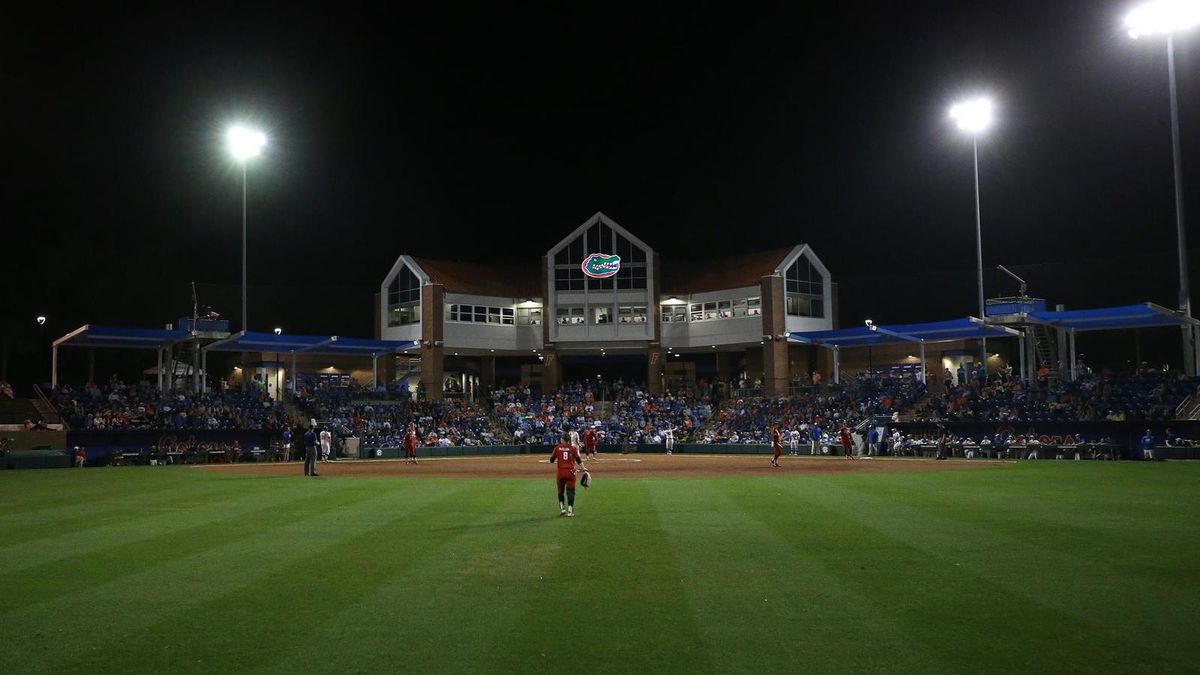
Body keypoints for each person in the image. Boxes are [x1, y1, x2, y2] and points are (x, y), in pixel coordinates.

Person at [550, 432, 584, 517]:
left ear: (562, 439)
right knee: (571, 491)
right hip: (571, 472)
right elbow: (578, 460)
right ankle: (570, 510)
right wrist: (583, 469)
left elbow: (551, 460)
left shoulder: (557, 448)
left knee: (560, 491)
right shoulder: (572, 448)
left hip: (561, 472)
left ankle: (562, 508)